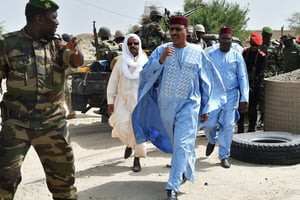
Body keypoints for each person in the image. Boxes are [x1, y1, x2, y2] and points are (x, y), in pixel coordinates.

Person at [132, 16, 226, 200]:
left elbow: (207, 82)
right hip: (166, 106)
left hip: (190, 105)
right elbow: (145, 74)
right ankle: (183, 170)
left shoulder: (198, 52)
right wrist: (161, 60)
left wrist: (206, 107)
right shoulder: (161, 50)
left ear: (186, 31)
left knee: (183, 143)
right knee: (180, 144)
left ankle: (172, 186)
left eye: (178, 29)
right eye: (171, 29)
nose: (174, 33)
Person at [0, 0, 84, 199]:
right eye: (53, 17)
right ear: (38, 19)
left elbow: (76, 61)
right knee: (4, 180)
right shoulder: (8, 44)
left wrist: (75, 50)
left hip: (52, 124)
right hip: (17, 125)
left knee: (64, 184)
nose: (57, 22)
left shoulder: (57, 44)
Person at [202, 26, 249, 168]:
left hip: (231, 95)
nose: (225, 41)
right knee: (209, 124)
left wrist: (244, 98)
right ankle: (212, 139)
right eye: (223, 39)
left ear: (231, 39)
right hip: (214, 95)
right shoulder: (210, 54)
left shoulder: (237, 56)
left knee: (228, 126)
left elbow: (243, 78)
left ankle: (224, 156)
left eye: (228, 39)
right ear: (219, 39)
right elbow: (204, 75)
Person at [107, 33, 148, 172]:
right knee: (121, 126)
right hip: (122, 101)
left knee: (137, 130)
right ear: (126, 45)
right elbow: (112, 83)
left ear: (139, 45)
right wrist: (110, 101)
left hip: (140, 102)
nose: (133, 46)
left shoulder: (145, 62)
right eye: (130, 44)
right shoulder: (120, 63)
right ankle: (129, 145)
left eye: (135, 43)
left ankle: (137, 158)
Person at [237, 32, 265, 133]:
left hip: (254, 87)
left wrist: (252, 87)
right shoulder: (244, 53)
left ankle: (251, 129)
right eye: (252, 45)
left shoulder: (261, 56)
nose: (254, 47)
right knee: (241, 108)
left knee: (252, 109)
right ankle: (240, 128)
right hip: (243, 84)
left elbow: (260, 74)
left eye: (256, 46)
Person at [258, 26, 284, 128]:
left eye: (268, 36)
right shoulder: (259, 46)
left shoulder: (275, 47)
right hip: (260, 78)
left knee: (270, 99)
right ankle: (261, 119)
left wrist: (279, 78)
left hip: (271, 78)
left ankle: (270, 119)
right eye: (264, 36)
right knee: (260, 100)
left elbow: (281, 63)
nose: (266, 38)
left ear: (271, 36)